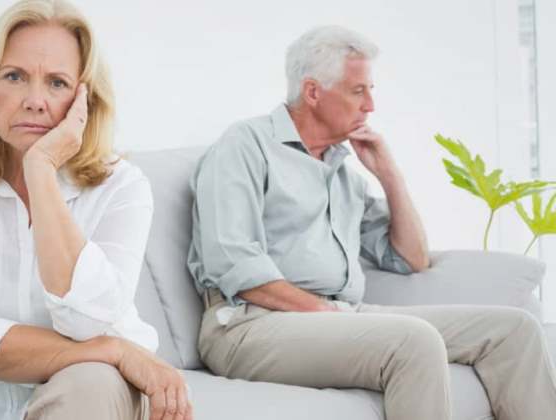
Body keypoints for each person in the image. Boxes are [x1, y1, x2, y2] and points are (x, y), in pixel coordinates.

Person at [187, 25, 556, 420]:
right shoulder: (245, 145)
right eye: (358, 91)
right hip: (250, 325)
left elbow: (411, 259)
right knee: (414, 341)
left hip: (338, 314)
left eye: (370, 90)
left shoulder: (343, 174)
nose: (371, 106)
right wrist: (324, 312)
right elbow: (235, 264)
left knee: (513, 331)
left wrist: (389, 174)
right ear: (313, 92)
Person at [0, 1, 192, 419]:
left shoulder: (122, 187)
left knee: (91, 380)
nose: (35, 101)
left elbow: (87, 321)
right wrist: (113, 349)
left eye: (57, 82)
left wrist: (41, 168)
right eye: (14, 76)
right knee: (95, 367)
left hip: (93, 398)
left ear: (83, 99)